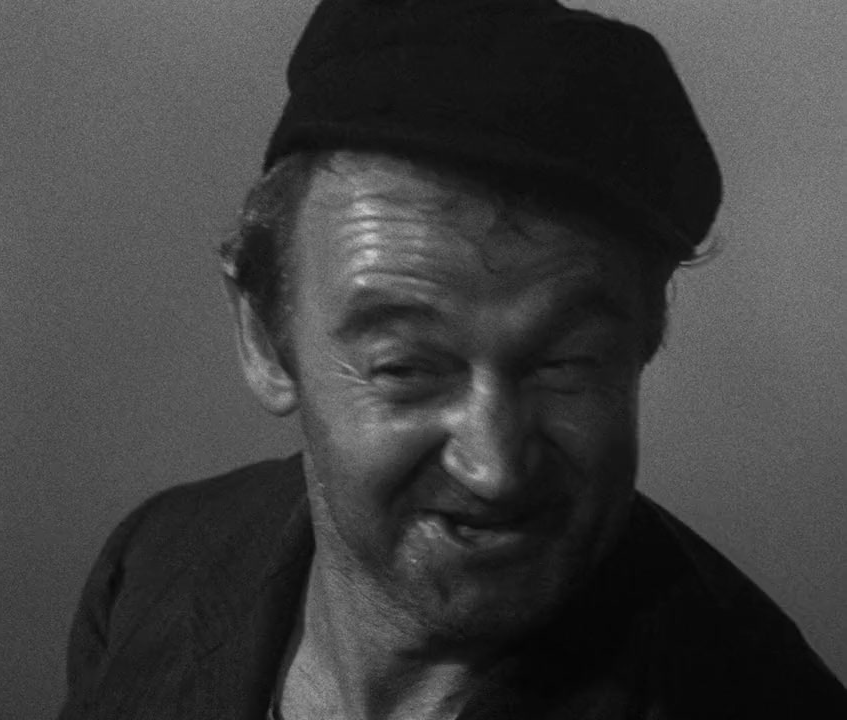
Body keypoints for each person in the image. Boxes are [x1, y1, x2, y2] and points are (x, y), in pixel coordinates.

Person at [55, 1, 847, 718]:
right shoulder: (152, 566)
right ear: (265, 339)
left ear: (641, 345)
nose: (495, 469)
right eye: (407, 367)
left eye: (566, 366)